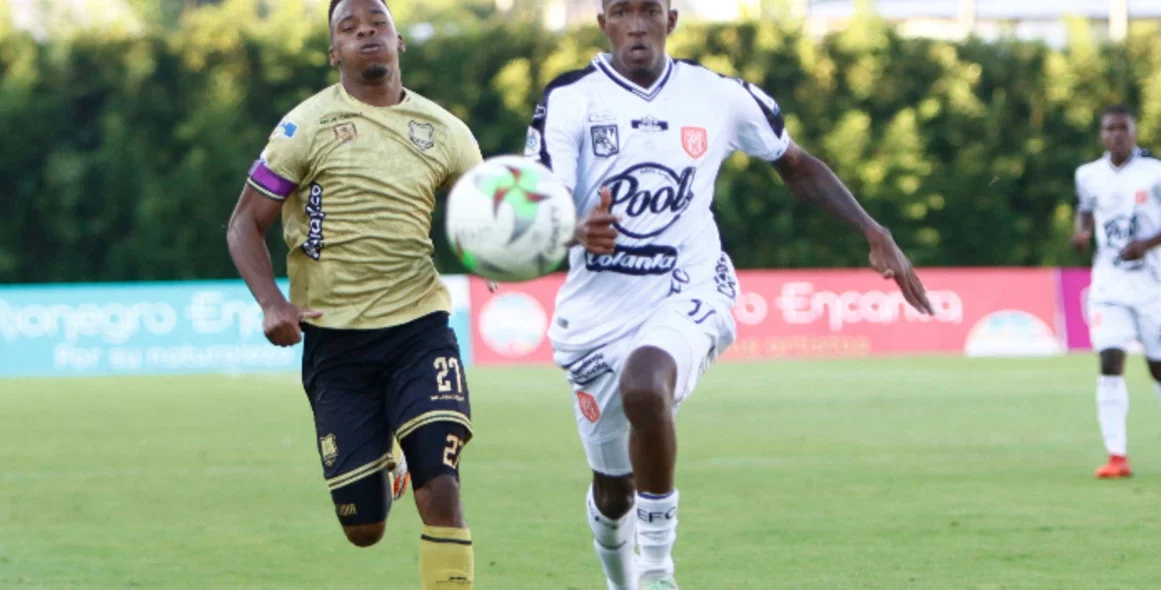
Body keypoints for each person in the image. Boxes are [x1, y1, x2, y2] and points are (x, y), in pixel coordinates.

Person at [524, 1, 933, 588]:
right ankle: (624, 581)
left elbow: (794, 164)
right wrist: (569, 227)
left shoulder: (719, 96)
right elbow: (544, 198)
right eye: (622, 11)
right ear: (603, 23)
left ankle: (660, 571)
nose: (636, 23)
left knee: (646, 384)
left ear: (672, 19)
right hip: (595, 313)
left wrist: (874, 231)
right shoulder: (570, 98)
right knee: (613, 492)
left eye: (649, 10)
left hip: (690, 287)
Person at [225, 0, 482, 586]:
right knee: (363, 528)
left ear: (399, 42)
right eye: (349, 27)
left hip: (421, 329)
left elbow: (486, 213)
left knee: (439, 485)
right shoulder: (303, 127)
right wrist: (272, 303)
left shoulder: (447, 132)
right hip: (336, 344)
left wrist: (497, 253)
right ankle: (382, 465)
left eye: (377, 23)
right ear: (333, 52)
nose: (366, 31)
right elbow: (244, 224)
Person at [1071, 104, 1161, 479]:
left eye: (1123, 128)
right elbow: (1085, 209)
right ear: (1101, 134)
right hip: (1108, 284)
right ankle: (1117, 456)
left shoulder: (1155, 172)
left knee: (1157, 369)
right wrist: (1081, 231)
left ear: (1134, 131)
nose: (1116, 135)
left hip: (1152, 285)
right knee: (1110, 361)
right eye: (1110, 129)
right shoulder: (1088, 174)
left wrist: (1147, 244)